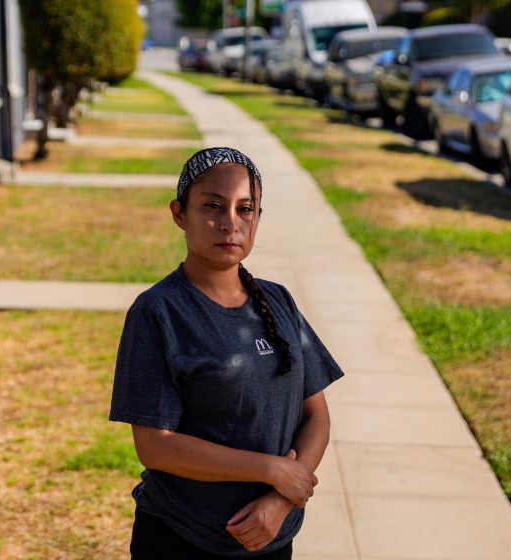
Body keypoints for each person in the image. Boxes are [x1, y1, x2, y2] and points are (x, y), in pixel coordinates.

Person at [109, 147, 344, 559]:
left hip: (272, 536)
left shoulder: (278, 301)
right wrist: (271, 469)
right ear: (179, 213)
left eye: (245, 209)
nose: (230, 223)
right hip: (182, 538)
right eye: (213, 206)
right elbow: (154, 446)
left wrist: (281, 500)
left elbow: (316, 417)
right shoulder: (158, 312)